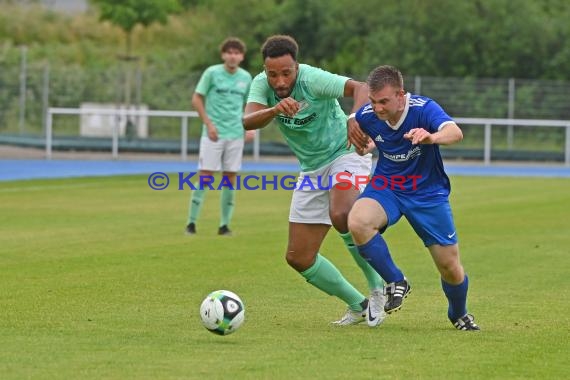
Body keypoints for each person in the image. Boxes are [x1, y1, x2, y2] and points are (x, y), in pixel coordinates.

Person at [243, 35, 386, 327]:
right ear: (265, 70)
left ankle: (378, 288)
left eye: (286, 73)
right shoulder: (261, 84)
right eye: (273, 74)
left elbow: (360, 87)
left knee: (343, 214)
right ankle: (358, 305)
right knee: (299, 257)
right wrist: (273, 110)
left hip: (345, 152)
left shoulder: (313, 79)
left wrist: (355, 117)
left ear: (297, 67)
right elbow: (247, 121)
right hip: (311, 169)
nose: (280, 81)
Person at [347, 65, 480, 331]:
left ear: (401, 95)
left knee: (450, 267)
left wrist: (431, 137)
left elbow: (455, 132)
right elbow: (365, 136)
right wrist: (365, 144)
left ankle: (459, 313)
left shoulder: (423, 108)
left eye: (384, 101)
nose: (378, 108)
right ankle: (396, 281)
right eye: (373, 101)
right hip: (388, 185)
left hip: (427, 192)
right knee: (358, 222)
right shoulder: (367, 115)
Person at [186, 37, 254, 236]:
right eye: (229, 52)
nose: (232, 56)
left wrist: (250, 127)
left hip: (235, 134)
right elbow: (197, 98)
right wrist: (208, 123)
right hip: (213, 134)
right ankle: (191, 223)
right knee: (205, 175)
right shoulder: (212, 73)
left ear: (241, 56)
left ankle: (224, 225)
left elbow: (250, 104)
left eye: (236, 53)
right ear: (223, 55)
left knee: (230, 177)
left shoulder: (245, 77)